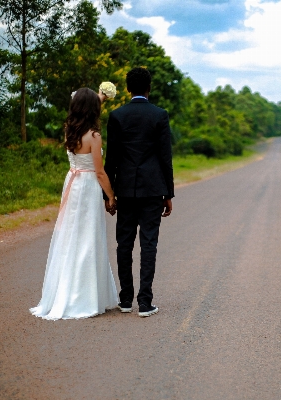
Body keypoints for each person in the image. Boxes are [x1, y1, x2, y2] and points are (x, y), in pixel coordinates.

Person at [30, 88, 119, 320]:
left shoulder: (69, 129)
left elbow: (85, 103)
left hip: (73, 182)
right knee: (88, 238)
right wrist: (111, 196)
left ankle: (65, 291)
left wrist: (100, 96)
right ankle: (85, 296)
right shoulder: (94, 136)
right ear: (93, 109)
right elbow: (99, 172)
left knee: (71, 237)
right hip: (88, 186)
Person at [104, 67, 174, 318]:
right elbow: (165, 157)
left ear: (127, 88)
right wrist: (169, 194)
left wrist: (108, 195)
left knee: (124, 244)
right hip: (153, 189)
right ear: (149, 88)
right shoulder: (159, 115)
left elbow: (110, 159)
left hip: (124, 190)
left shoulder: (117, 116)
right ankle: (145, 302)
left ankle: (125, 300)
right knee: (149, 244)